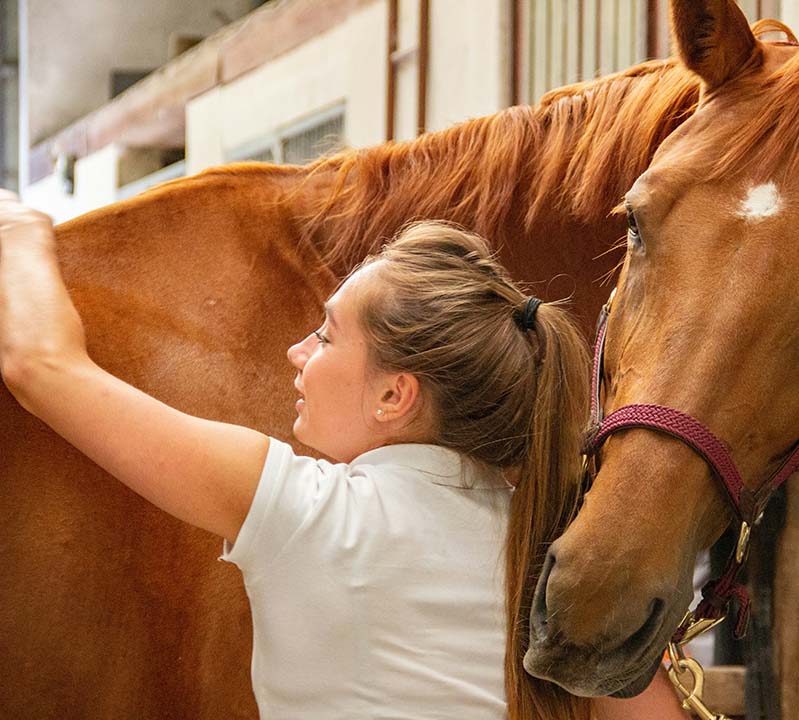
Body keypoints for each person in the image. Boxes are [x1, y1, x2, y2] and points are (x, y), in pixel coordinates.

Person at [0, 191, 689, 720]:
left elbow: (41, 366)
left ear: (395, 395)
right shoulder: (547, 543)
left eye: (326, 338)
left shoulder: (301, 510)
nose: (297, 354)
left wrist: (17, 229)